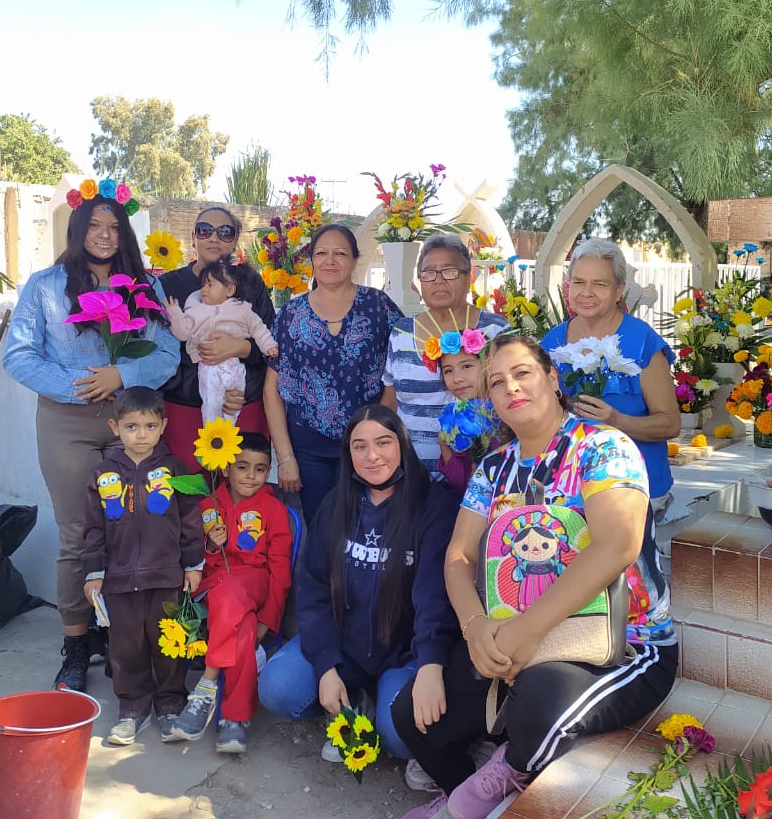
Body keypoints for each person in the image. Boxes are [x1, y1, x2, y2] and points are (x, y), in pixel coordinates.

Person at [393, 335, 678, 819]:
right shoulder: (493, 469)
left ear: (551, 377)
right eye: (497, 382)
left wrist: (526, 630)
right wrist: (475, 627)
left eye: (522, 372)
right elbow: (458, 556)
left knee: (538, 704)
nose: (511, 388)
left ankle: (493, 785)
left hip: (621, 644)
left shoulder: (601, 447)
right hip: (514, 639)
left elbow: (617, 545)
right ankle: (473, 794)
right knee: (413, 718)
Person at [3, 185, 181, 693]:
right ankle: (76, 644)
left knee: (138, 523)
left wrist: (121, 376)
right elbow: (18, 355)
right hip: (68, 421)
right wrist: (83, 385)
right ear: (76, 232)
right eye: (94, 227)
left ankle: (122, 635)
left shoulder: (147, 288)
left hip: (133, 423)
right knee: (80, 533)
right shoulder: (44, 286)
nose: (104, 236)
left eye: (114, 227)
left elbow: (167, 353)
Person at [257, 404, 459, 765]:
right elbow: (314, 588)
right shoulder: (338, 502)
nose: (372, 456)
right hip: (344, 645)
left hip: (406, 652)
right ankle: (357, 699)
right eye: (359, 446)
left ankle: (381, 702)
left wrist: (431, 664)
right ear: (348, 454)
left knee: (402, 738)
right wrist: (325, 667)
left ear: (403, 444)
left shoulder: (433, 505)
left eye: (383, 442)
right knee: (278, 688)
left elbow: (434, 596)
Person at [80, 386, 205, 745]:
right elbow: (92, 528)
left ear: (163, 426)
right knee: (126, 646)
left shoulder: (175, 470)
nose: (141, 435)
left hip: (166, 576)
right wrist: (94, 573)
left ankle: (169, 705)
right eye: (132, 426)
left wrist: (193, 564)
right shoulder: (102, 474)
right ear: (115, 428)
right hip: (118, 580)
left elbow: (191, 520)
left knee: (169, 643)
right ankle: (132, 709)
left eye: (150, 426)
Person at [164, 431, 294, 754]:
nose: (251, 476)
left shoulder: (274, 510)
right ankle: (233, 721)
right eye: (242, 467)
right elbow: (195, 562)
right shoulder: (207, 506)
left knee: (236, 595)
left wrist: (268, 619)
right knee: (242, 628)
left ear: (269, 471)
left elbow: (280, 572)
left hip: (255, 582)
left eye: (261, 469)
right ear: (225, 468)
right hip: (215, 586)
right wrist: (210, 546)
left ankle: (206, 686)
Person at [264, 224, 403, 521]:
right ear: (311, 259)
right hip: (309, 450)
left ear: (355, 259)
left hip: (368, 447)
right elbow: (271, 390)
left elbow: (399, 368)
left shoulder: (378, 307)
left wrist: (377, 432)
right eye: (321, 253)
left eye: (340, 253)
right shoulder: (291, 314)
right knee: (322, 531)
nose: (330, 260)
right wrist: (285, 457)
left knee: (370, 527)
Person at [539, 239, 679, 520]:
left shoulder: (642, 342)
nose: (586, 293)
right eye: (578, 282)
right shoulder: (553, 342)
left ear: (619, 290)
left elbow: (670, 424)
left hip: (633, 489)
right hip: (567, 489)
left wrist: (617, 420)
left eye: (600, 284)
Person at [160, 205, 275, 470]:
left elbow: (268, 341)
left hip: (241, 405)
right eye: (204, 230)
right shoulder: (170, 286)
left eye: (224, 232)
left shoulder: (250, 282)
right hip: (184, 409)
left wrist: (244, 348)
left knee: (241, 498)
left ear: (235, 240)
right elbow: (161, 355)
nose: (213, 237)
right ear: (193, 236)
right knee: (191, 498)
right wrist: (209, 392)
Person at [381, 234, 506, 471]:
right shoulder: (401, 333)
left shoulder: (496, 330)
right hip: (411, 472)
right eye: (428, 273)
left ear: (469, 276)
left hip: (482, 472)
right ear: (419, 282)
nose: (438, 280)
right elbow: (390, 401)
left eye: (449, 271)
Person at [164, 261, 279, 423]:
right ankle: (212, 429)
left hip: (236, 366)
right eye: (203, 285)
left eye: (210, 285)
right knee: (212, 400)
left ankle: (228, 427)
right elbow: (183, 333)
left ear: (230, 290)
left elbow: (259, 329)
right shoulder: (195, 311)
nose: (204, 290)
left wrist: (269, 346)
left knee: (236, 400)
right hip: (208, 367)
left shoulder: (242, 309)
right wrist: (175, 314)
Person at [434, 336, 497, 496]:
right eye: (448, 371)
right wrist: (443, 444)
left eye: (467, 366)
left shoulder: (508, 408)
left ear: (488, 365)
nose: (457, 378)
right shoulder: (454, 416)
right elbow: (462, 483)